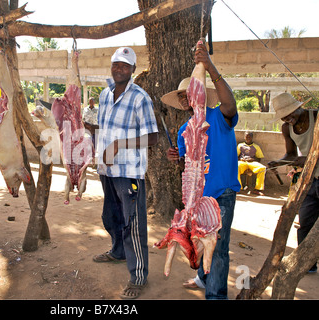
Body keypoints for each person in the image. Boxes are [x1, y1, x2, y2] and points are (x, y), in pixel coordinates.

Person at [162, 41, 241, 299]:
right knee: (200, 237)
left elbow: (232, 106)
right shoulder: (184, 130)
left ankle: (216, 295)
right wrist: (176, 157)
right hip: (199, 197)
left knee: (218, 246)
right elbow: (190, 164)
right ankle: (201, 278)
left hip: (222, 192)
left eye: (190, 93)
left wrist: (209, 66)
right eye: (183, 96)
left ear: (201, 93)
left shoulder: (220, 116)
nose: (187, 98)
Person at [92, 47, 159, 299]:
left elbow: (152, 137)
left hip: (129, 171)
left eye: (125, 65)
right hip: (106, 168)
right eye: (116, 64)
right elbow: (103, 127)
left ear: (132, 70)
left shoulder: (140, 98)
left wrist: (120, 144)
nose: (119, 69)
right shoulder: (104, 95)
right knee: (111, 216)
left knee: (133, 224)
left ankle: (138, 276)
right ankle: (118, 252)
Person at [268, 92, 318, 273]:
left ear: (299, 107)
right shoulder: (286, 128)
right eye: (284, 116)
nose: (288, 118)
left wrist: (310, 158)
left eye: (291, 113)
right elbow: (291, 155)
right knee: (305, 221)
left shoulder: (316, 117)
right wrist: (278, 162)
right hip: (308, 179)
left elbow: (307, 155)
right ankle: (308, 264)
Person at [237, 131, 266, 195]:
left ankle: (257, 189)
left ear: (252, 137)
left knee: (262, 168)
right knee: (236, 167)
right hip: (242, 162)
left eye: (249, 137)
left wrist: (252, 159)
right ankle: (238, 188)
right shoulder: (240, 145)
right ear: (244, 137)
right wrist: (240, 159)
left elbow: (259, 158)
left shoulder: (256, 146)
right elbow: (236, 156)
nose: (248, 138)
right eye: (246, 137)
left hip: (252, 162)